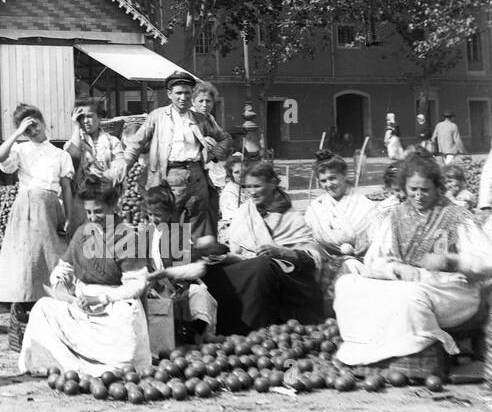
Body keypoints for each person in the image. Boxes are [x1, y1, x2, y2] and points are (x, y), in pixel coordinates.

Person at [335, 152, 492, 367]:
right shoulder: (395, 216)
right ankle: (375, 349)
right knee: (346, 285)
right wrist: (395, 268)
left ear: (438, 187)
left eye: (425, 190)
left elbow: (487, 261)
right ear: (404, 187)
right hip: (404, 283)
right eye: (413, 189)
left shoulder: (456, 215)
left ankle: (424, 347)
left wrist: (451, 260)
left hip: (450, 291)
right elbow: (375, 259)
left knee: (410, 296)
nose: (418, 196)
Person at [18, 183, 152, 377]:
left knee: (126, 318)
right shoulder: (83, 232)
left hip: (114, 305)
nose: (93, 217)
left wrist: (101, 298)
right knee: (42, 308)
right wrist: (61, 285)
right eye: (88, 212)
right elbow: (63, 267)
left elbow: (137, 284)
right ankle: (68, 364)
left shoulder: (127, 236)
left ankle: (106, 367)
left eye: (98, 211)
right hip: (81, 305)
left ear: (113, 206)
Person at [201, 161, 323, 334]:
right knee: (209, 270)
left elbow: (312, 256)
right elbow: (237, 249)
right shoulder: (245, 211)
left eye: (257, 186)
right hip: (248, 264)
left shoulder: (291, 216)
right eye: (248, 187)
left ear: (272, 184)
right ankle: (223, 332)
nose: (251, 192)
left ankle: (252, 333)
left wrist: (280, 251)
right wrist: (220, 254)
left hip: (287, 278)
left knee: (261, 266)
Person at [110, 70, 232, 240]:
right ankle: (169, 255)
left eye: (187, 93)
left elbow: (225, 139)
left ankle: (196, 255)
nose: (183, 97)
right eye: (179, 93)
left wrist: (210, 155)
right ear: (169, 94)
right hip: (167, 177)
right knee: (168, 224)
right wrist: (124, 164)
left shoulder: (201, 119)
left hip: (197, 176)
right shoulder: (157, 117)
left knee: (198, 224)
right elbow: (136, 143)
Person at [0, 104, 76, 338]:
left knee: (51, 255)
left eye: (35, 124)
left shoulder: (60, 155)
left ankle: (53, 305)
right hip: (27, 205)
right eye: (28, 129)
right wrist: (18, 132)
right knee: (27, 258)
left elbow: (66, 188)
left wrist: (69, 216)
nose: (33, 131)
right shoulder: (20, 149)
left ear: (43, 121)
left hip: (51, 206)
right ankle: (23, 306)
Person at [143, 185, 218, 339]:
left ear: (170, 212)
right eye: (150, 214)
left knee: (199, 295)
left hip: (179, 288)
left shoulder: (179, 235)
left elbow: (189, 268)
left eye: (158, 215)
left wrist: (176, 286)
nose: (153, 219)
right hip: (158, 290)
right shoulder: (147, 234)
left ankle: (198, 335)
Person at [305, 155, 379, 308]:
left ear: (345, 175)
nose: (329, 184)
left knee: (350, 270)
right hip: (325, 260)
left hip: (360, 261)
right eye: (323, 181)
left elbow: (378, 239)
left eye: (333, 178)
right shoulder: (315, 207)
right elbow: (308, 238)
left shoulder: (365, 205)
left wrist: (367, 243)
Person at [64, 103, 124, 188]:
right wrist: (76, 126)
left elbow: (120, 167)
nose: (85, 121)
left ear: (99, 117)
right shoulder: (72, 144)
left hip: (107, 191)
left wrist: (103, 177)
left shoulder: (113, 142)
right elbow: (71, 160)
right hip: (81, 192)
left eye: (89, 116)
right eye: (81, 117)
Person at [217, 153, 244, 244]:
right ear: (231, 174)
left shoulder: (248, 185)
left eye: (244, 170)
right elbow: (234, 219)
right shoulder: (229, 192)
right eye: (236, 172)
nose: (241, 174)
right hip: (233, 231)